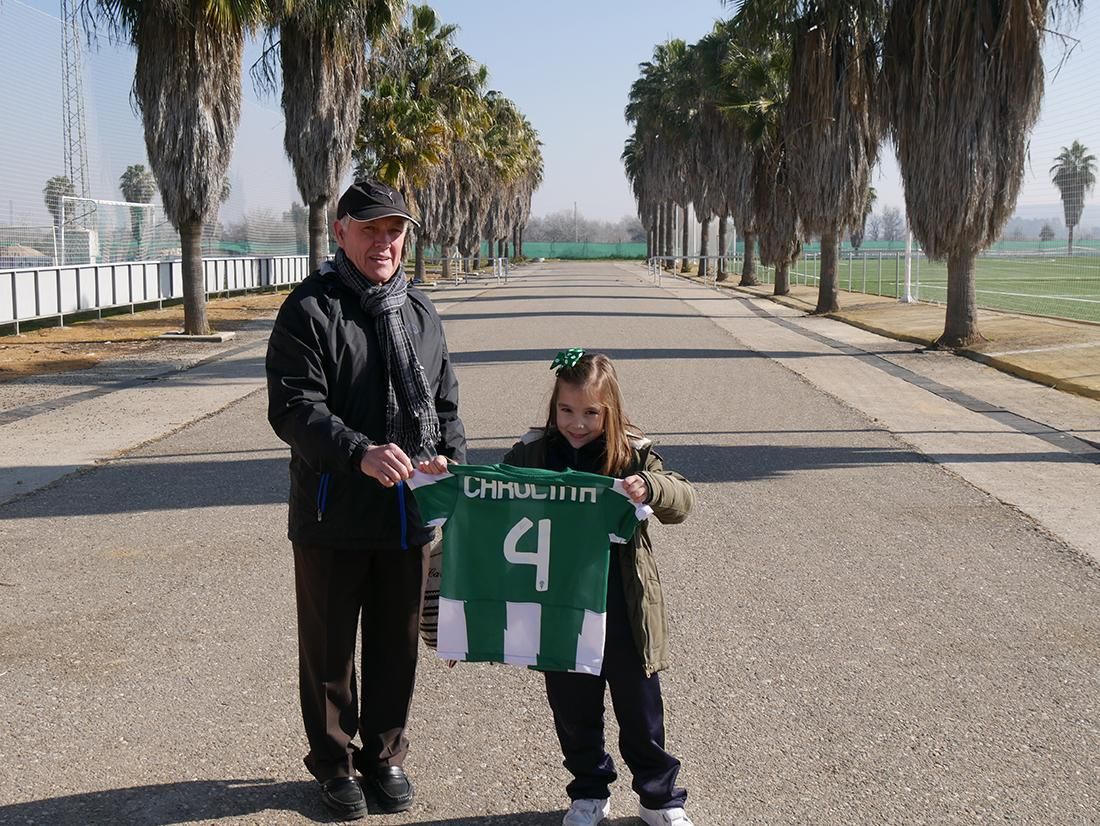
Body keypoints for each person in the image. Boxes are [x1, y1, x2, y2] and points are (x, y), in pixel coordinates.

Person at [265, 179, 466, 820]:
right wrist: (359, 452)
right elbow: (296, 408)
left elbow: (444, 403)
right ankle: (332, 762)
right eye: (371, 229)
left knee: (396, 641)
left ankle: (384, 756)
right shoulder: (310, 308)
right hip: (332, 510)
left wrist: (450, 462)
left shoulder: (419, 311)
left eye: (394, 231)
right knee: (328, 651)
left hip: (405, 513)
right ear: (341, 233)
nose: (384, 242)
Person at [501, 349, 696, 826]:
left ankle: (659, 798)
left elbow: (683, 498)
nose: (577, 423)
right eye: (566, 410)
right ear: (554, 407)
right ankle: (589, 790)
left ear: (610, 410)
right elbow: (490, 497)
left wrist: (650, 487)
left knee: (641, 709)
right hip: (559, 604)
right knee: (572, 708)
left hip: (622, 602)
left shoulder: (633, 453)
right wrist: (447, 478)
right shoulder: (532, 452)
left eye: (591, 412)